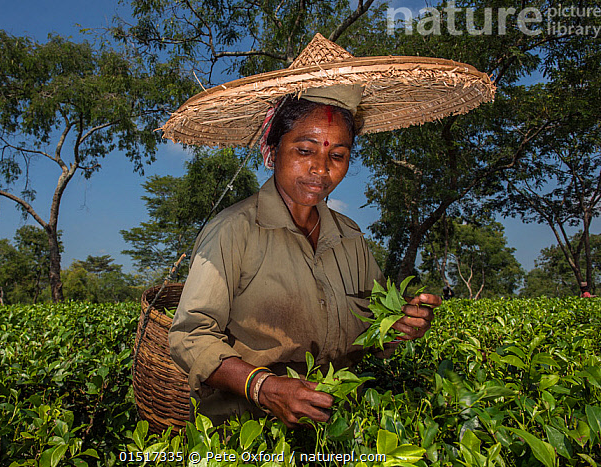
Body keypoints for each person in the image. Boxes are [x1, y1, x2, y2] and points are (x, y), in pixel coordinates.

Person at [164, 34, 494, 428]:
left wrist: (398, 325)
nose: (321, 169)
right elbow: (189, 337)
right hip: (246, 433)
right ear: (274, 149)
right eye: (305, 151)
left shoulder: (350, 238)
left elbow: (371, 335)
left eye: (338, 155)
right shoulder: (234, 231)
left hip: (337, 427)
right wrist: (265, 387)